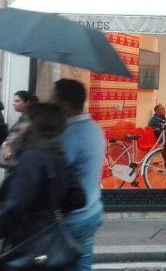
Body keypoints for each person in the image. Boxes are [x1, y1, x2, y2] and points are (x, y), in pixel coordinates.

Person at [0, 103, 86, 271]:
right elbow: (78, 198)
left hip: (25, 240)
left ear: (36, 124)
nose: (22, 126)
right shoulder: (59, 156)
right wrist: (49, 209)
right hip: (50, 239)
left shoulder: (31, 158)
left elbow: (16, 205)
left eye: (25, 121)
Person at [53, 79, 106, 271]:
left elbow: (55, 171)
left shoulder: (70, 134)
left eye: (54, 99)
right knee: (83, 264)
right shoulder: (94, 128)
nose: (51, 104)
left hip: (74, 215)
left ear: (64, 104)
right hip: (93, 210)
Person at [1, 90, 39, 167]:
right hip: (14, 158)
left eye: (17, 101)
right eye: (14, 101)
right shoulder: (22, 118)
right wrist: (6, 145)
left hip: (20, 160)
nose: (14, 104)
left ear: (27, 102)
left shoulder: (30, 120)